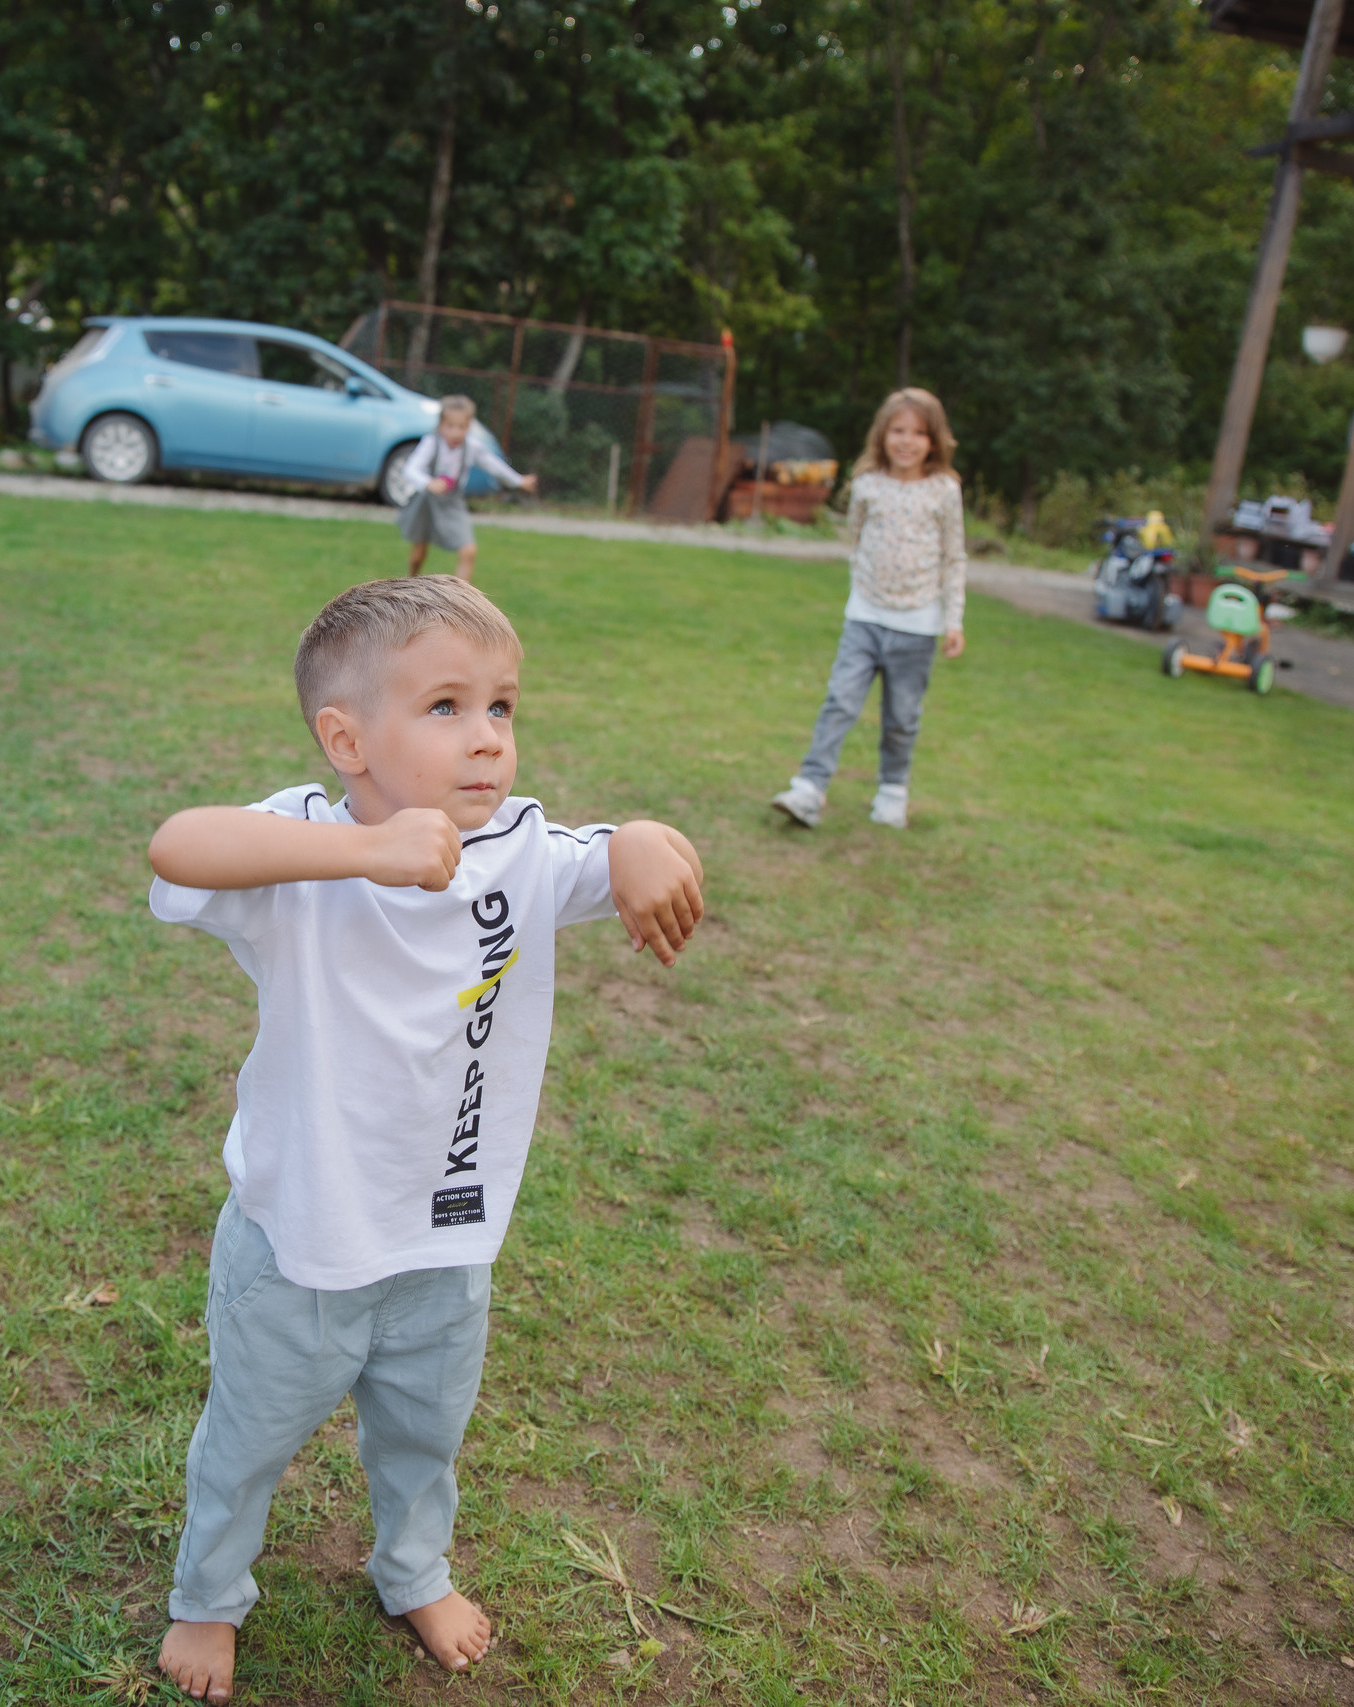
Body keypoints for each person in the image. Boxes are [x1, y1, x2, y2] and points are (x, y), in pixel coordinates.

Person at [144, 577, 706, 1703]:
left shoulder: (518, 850)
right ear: (345, 739)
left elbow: (609, 851)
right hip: (296, 1248)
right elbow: (176, 846)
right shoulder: (299, 850)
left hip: (447, 1247)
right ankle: (208, 1597)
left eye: (501, 707)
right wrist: (370, 854)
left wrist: (645, 840)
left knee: (422, 1440)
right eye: (444, 707)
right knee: (246, 1444)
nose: (486, 739)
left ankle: (412, 1569)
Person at [768, 387, 968, 832]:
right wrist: (864, 594)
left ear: (933, 440)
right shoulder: (867, 485)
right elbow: (856, 541)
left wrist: (952, 619)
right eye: (898, 430)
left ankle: (893, 791)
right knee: (839, 701)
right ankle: (809, 789)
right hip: (865, 618)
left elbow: (954, 557)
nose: (906, 441)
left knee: (902, 717)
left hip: (918, 626)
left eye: (917, 432)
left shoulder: (944, 490)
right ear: (882, 435)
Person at [396, 395, 537, 582]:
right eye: (450, 426)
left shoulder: (471, 447)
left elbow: (493, 465)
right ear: (440, 425)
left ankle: (461, 602)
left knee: (468, 551)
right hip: (427, 501)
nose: (455, 432)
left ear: (468, 426)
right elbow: (411, 469)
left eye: (461, 427)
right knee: (418, 555)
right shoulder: (431, 443)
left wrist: (518, 480)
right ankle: (409, 585)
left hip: (453, 503)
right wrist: (429, 483)